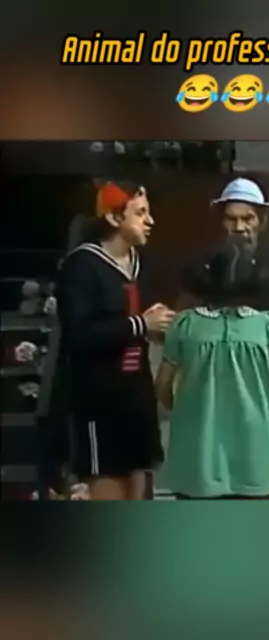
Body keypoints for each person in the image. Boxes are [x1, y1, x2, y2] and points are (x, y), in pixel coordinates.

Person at [56, 179, 175, 500]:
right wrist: (140, 324)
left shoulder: (143, 263)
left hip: (137, 395)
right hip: (100, 399)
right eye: (140, 213)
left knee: (141, 480)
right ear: (113, 217)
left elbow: (143, 322)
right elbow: (80, 334)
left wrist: (159, 326)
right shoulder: (83, 266)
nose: (150, 221)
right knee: (107, 481)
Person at [155, 234, 269, 499]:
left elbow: (162, 386)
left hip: (197, 457)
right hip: (256, 455)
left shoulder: (185, 325)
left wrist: (189, 410)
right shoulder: (267, 326)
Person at [179, 177, 269, 377]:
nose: (239, 227)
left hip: (264, 368)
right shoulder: (205, 264)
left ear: (262, 221)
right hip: (214, 368)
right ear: (221, 221)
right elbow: (181, 316)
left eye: (248, 219)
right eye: (231, 219)